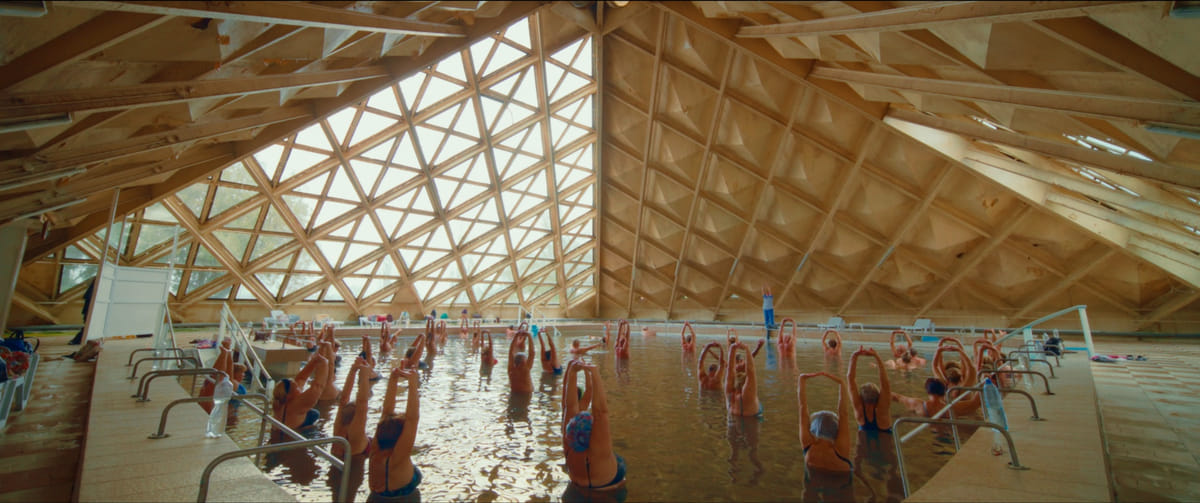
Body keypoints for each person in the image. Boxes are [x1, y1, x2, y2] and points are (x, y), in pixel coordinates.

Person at [562, 359, 625, 491]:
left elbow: (570, 406)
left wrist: (572, 372)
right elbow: (601, 412)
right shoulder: (599, 450)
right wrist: (595, 373)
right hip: (607, 493)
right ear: (592, 434)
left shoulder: (568, 444)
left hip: (576, 488)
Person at [369, 368, 421, 500]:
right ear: (400, 437)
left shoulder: (375, 449)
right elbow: (413, 419)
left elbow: (386, 412)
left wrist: (393, 379)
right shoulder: (399, 457)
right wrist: (413, 384)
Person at [798, 372, 854, 473]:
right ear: (836, 430)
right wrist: (841, 383)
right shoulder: (840, 450)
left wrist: (801, 380)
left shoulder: (808, 446)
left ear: (813, 429)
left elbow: (802, 408)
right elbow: (843, 414)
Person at [272, 350, 329, 431]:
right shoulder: (297, 405)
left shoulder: (280, 403)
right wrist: (325, 363)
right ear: (289, 395)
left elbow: (301, 379)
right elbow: (318, 386)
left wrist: (313, 362)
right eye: (297, 388)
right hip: (294, 437)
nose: (299, 387)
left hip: (279, 436)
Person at [333, 356, 373, 458]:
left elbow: (343, 399)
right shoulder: (356, 434)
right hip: (352, 465)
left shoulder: (338, 427)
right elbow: (362, 402)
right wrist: (365, 376)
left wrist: (353, 370)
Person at [848, 346, 892, 432]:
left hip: (863, 440)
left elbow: (850, 378)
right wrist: (877, 356)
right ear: (878, 397)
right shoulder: (882, 410)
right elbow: (885, 383)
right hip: (884, 439)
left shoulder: (859, 409)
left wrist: (854, 356)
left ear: (861, 398)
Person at [726, 341, 761, 417]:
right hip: (751, 420)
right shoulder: (748, 395)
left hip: (733, 418)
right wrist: (747, 349)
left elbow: (729, 370)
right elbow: (751, 371)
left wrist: (732, 348)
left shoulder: (730, 394)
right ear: (746, 383)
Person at [68, 277, 97, 345]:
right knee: (88, 326)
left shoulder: (95, 287)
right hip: (89, 310)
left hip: (91, 309)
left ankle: (79, 340)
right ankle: (76, 340)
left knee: (89, 326)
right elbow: (88, 299)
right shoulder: (93, 289)